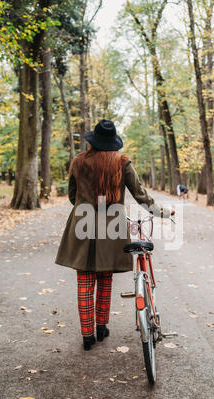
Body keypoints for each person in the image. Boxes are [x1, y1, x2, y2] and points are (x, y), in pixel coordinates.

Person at [55, 119, 173, 351]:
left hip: (83, 223)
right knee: (105, 279)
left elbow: (72, 195)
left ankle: (87, 336)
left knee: (84, 281)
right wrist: (163, 212)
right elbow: (141, 196)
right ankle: (102, 327)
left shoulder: (79, 162)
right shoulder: (122, 162)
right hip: (113, 228)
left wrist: (83, 207)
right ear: (113, 142)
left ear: (93, 141)